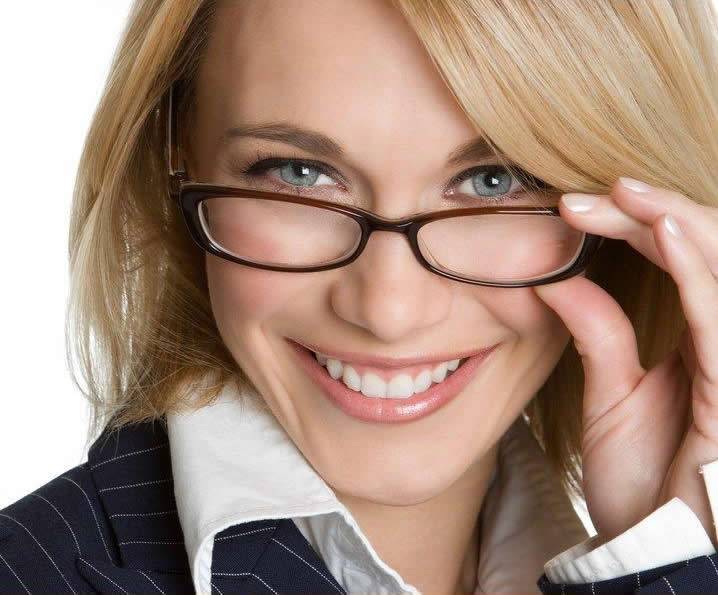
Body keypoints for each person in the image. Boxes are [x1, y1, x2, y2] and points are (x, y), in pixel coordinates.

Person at [2, 0, 718, 593]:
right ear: (176, 153)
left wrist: (661, 549)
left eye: (494, 180)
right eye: (299, 174)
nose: (388, 311)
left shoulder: (664, 555)